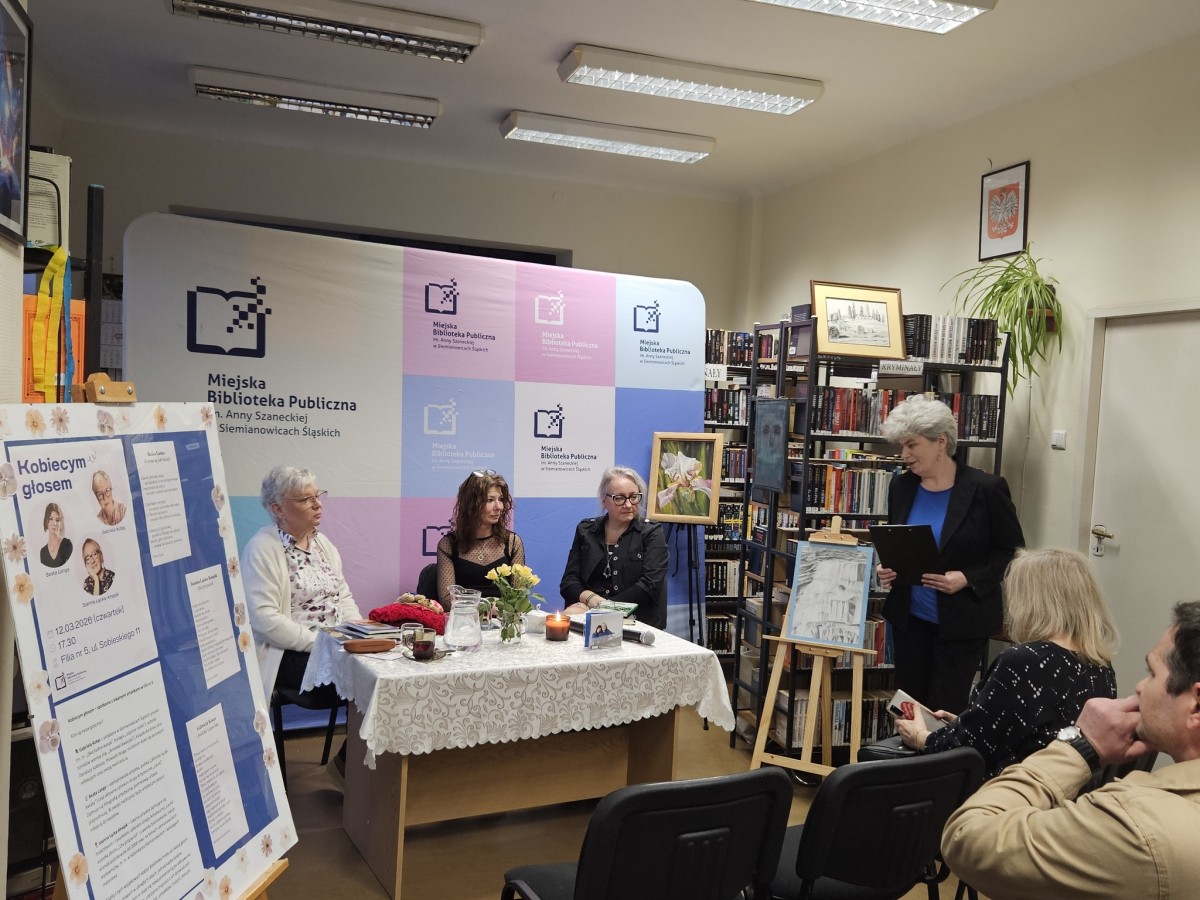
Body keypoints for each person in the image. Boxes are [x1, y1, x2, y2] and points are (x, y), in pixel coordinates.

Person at [942, 601, 1200, 898]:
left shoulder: (1139, 829)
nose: (1140, 687)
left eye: (1152, 673)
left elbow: (966, 838)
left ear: (1196, 705)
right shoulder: (1099, 665)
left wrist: (1080, 745)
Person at [894, 548, 1118, 777]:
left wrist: (921, 737)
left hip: (1010, 788)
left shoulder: (1023, 661)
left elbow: (968, 750)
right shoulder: (1101, 664)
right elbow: (1031, 728)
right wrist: (966, 722)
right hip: (1066, 786)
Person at [876, 394, 1024, 713]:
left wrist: (967, 578)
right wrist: (887, 568)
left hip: (960, 625)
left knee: (944, 713)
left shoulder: (986, 489)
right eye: (902, 446)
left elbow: (1012, 553)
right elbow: (900, 541)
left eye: (912, 445)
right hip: (909, 622)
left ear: (940, 442)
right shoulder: (901, 487)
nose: (904, 455)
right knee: (908, 711)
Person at [243, 466, 361, 704]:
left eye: (317, 496)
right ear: (278, 508)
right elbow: (264, 619)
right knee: (361, 678)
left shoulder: (323, 544)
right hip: (289, 653)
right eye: (305, 499)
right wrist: (321, 644)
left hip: (336, 646)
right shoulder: (262, 549)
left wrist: (357, 633)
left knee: (379, 668)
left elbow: (342, 597)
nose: (317, 504)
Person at [560, 466, 668, 629]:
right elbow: (569, 583)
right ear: (604, 500)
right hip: (589, 614)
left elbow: (650, 585)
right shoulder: (586, 530)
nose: (628, 504)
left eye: (634, 497)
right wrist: (590, 599)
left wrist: (604, 608)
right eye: (619, 498)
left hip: (636, 622)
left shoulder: (652, 532)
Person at [435, 469, 525, 610]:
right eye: (490, 500)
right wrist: (488, 607)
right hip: (465, 621)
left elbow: (520, 598)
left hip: (503, 621)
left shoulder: (513, 542)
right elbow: (447, 600)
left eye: (500, 499)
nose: (499, 507)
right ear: (472, 504)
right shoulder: (448, 545)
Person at [40, 502, 73, 568]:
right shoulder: (43, 552)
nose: (54, 523)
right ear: (46, 521)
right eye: (51, 519)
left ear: (61, 523)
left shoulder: (67, 544)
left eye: (57, 520)